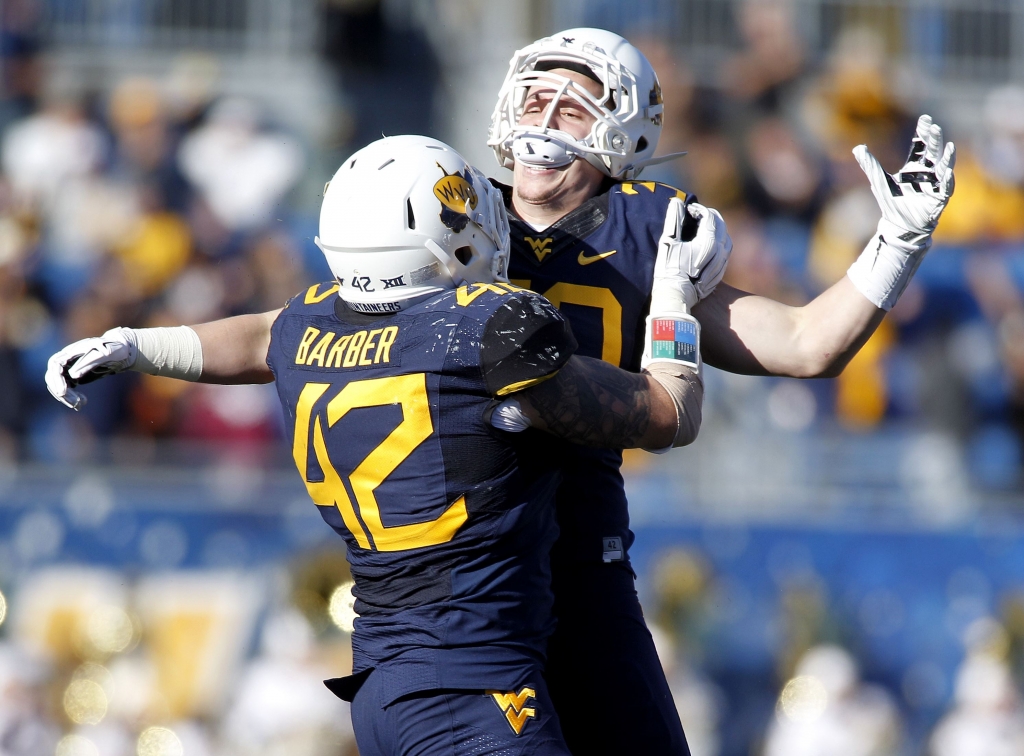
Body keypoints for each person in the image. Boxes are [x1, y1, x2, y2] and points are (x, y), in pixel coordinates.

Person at [44, 135, 722, 755]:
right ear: (440, 243)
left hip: (384, 686)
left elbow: (258, 336)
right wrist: (673, 296)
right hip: (474, 685)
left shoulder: (310, 330)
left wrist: (139, 346)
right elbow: (669, 412)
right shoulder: (488, 331)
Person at [486, 27, 955, 755]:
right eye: (535, 98)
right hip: (465, 571)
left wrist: (895, 244)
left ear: (623, 131)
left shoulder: (650, 238)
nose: (543, 122)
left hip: (582, 564)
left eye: (572, 108)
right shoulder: (448, 220)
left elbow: (805, 345)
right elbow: (287, 334)